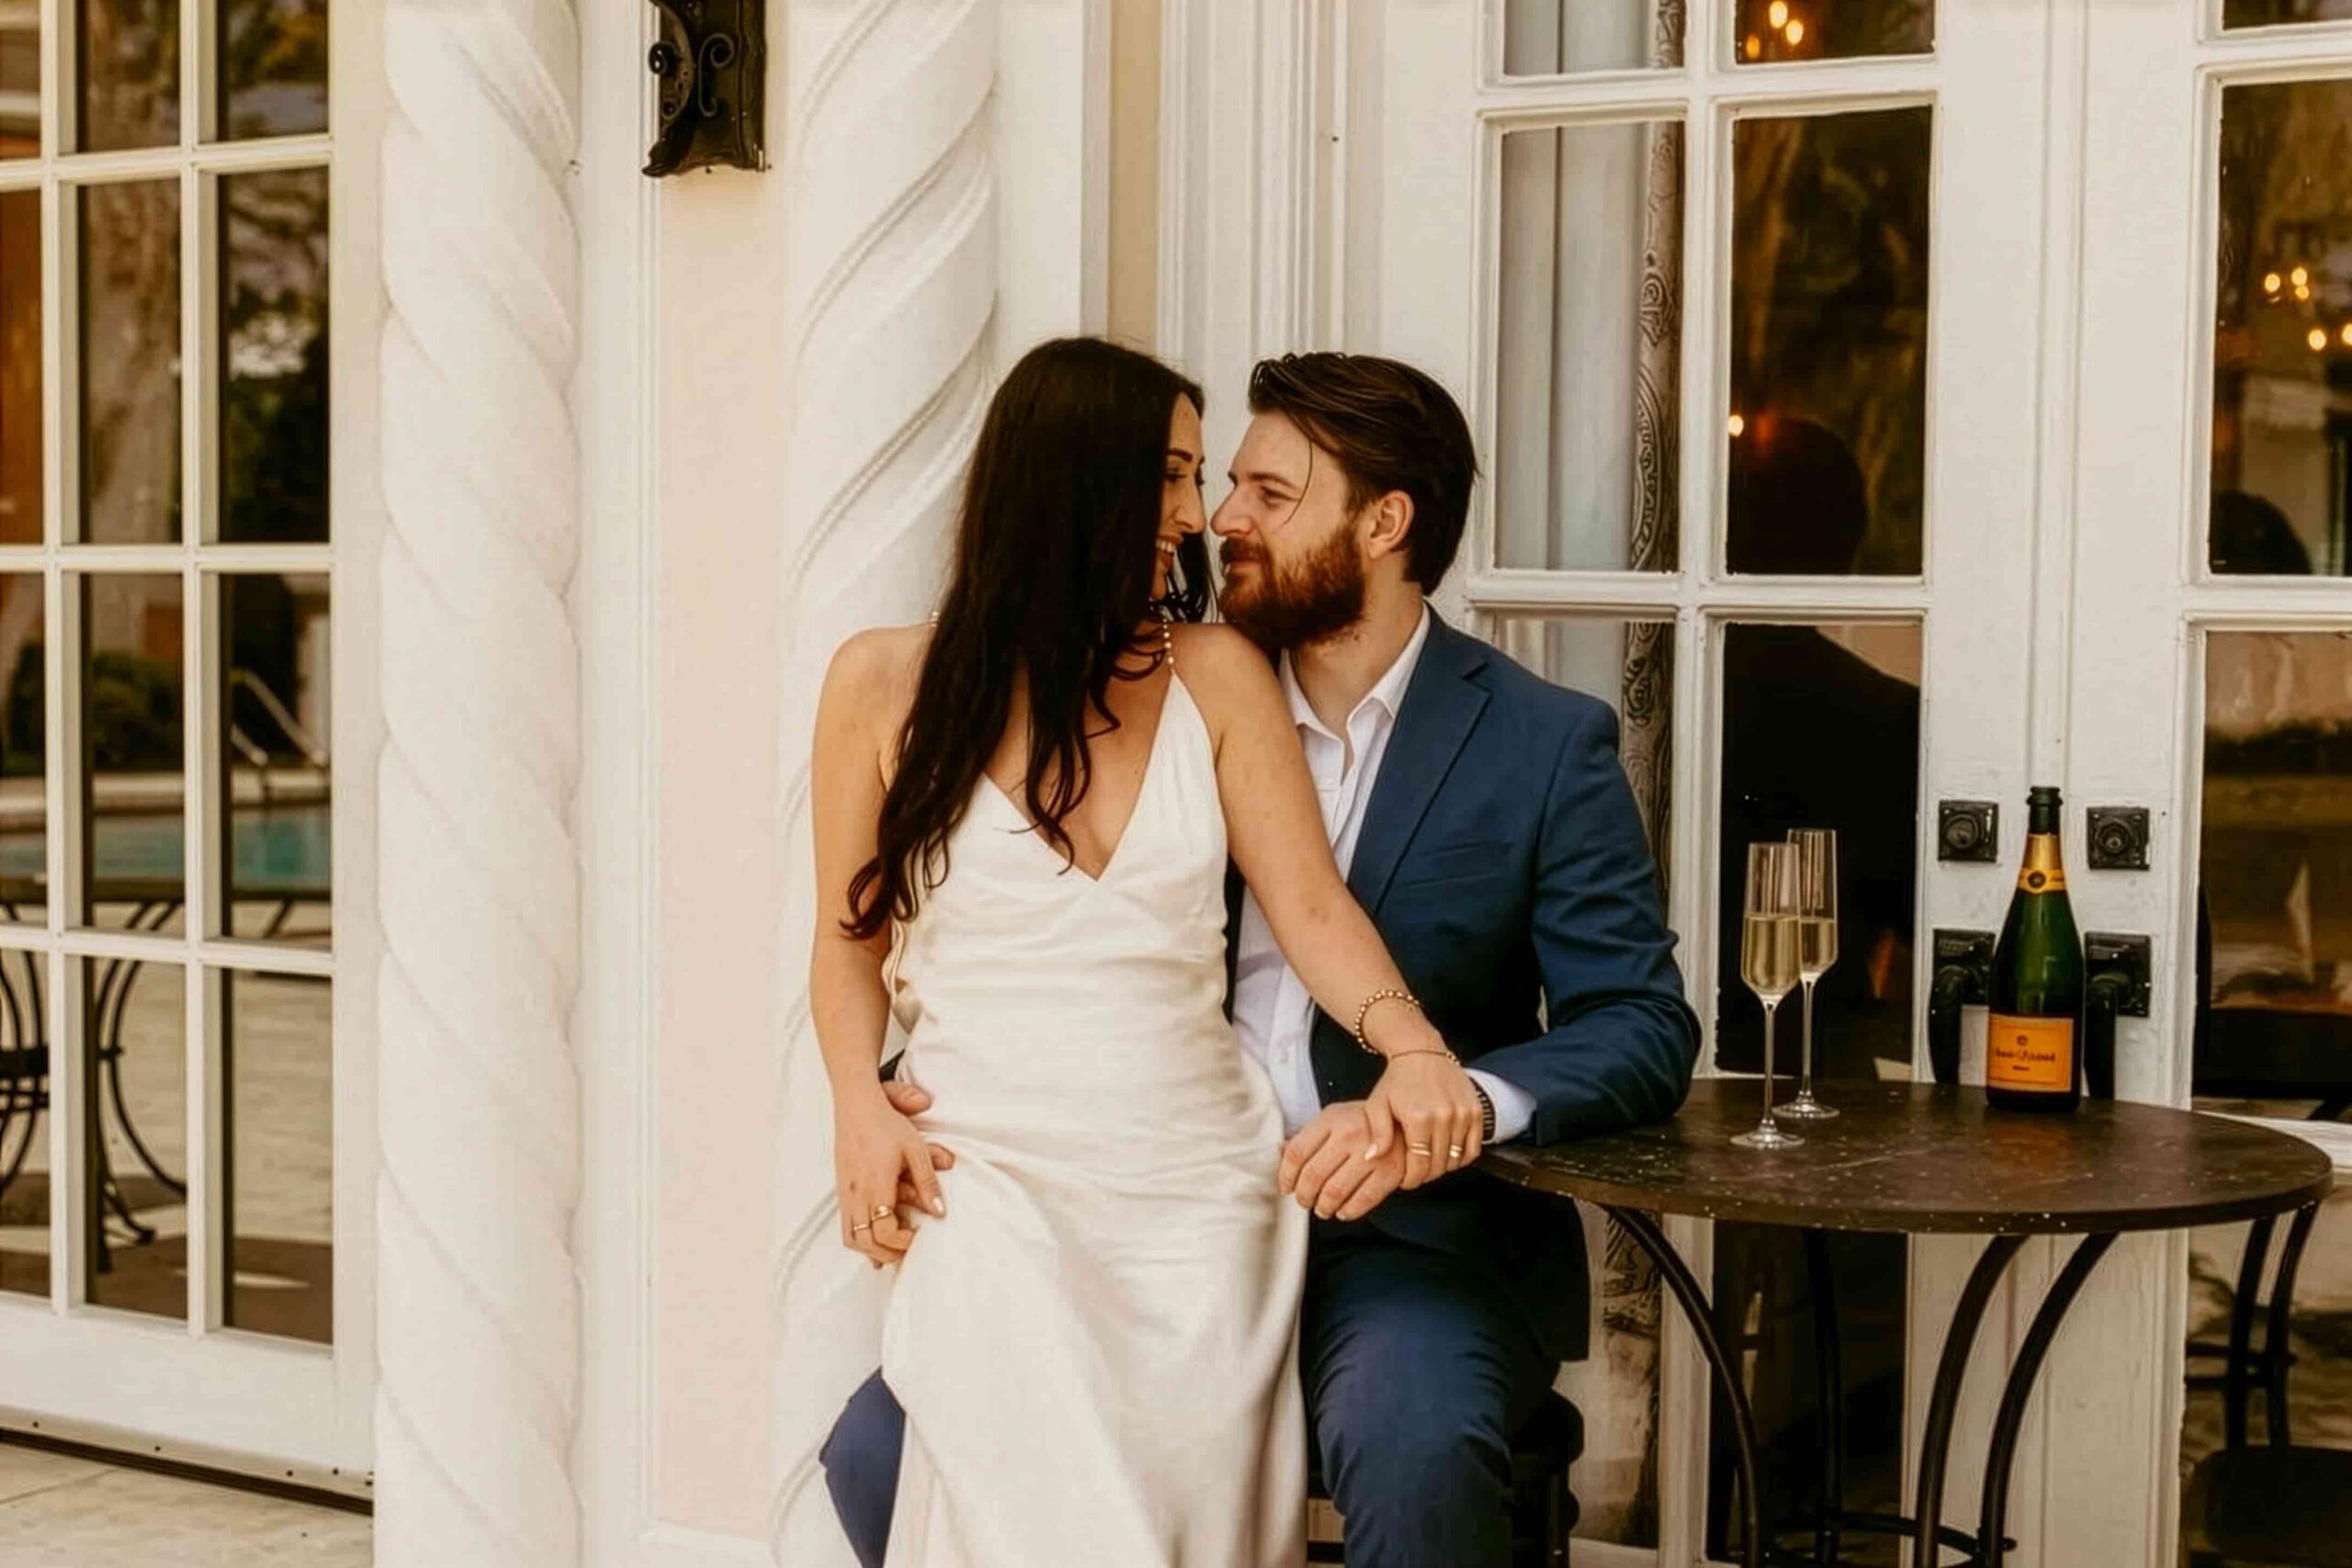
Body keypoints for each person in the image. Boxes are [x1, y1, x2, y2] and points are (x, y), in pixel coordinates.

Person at [820, 348, 1699, 1567]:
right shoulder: (1169, 675)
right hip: (1084, 1191)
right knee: (876, 1452)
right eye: (1204, 480)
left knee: (1411, 1441)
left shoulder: (1542, 743)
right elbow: (985, 941)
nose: (1216, 517)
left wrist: (1442, 1082)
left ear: (1385, 523)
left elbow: (1634, 1021)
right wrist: (871, 1095)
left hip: (1399, 1238)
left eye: (1262, 495)